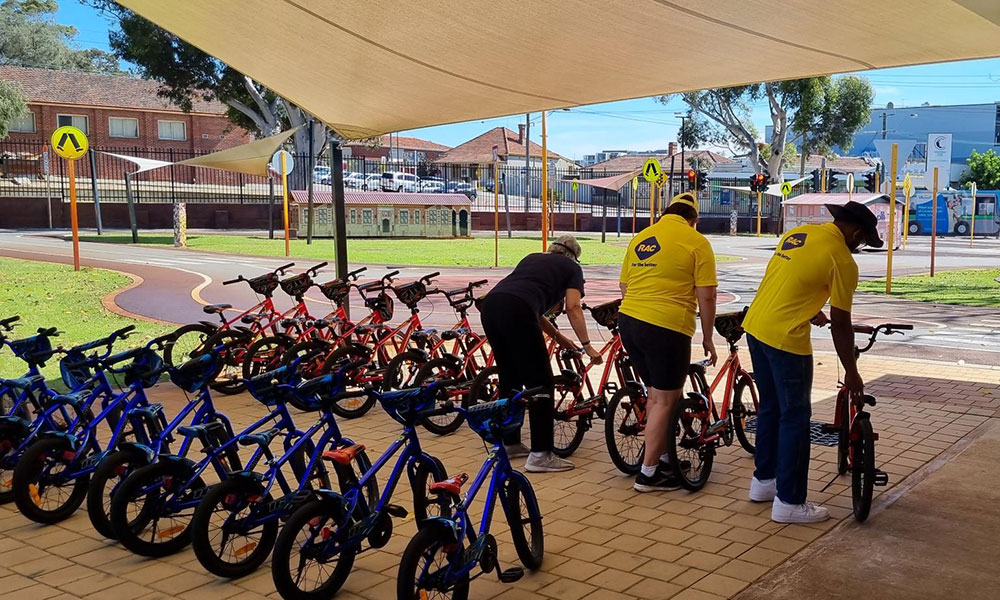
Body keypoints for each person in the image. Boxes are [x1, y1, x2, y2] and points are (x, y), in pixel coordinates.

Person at [742, 200, 882, 524]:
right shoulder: (843, 261)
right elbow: (842, 322)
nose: (860, 247)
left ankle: (763, 483)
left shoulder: (799, 234)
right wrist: (852, 371)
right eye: (863, 241)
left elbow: (792, 280)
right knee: (795, 418)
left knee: (771, 409)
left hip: (756, 327)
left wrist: (809, 306)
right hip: (786, 341)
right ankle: (790, 502)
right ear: (857, 233)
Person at [618, 192, 718, 492]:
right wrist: (709, 337)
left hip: (629, 320)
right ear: (694, 220)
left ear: (665, 213)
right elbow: (707, 295)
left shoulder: (641, 238)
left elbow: (624, 284)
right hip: (667, 326)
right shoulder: (696, 241)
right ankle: (648, 474)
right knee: (665, 399)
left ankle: (661, 456)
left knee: (655, 395)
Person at [478, 234, 602, 473]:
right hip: (518, 310)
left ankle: (509, 441)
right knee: (541, 383)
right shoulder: (572, 268)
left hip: (492, 306)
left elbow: (528, 304)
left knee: (510, 378)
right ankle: (541, 454)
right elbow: (573, 307)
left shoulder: (532, 258)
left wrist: (560, 338)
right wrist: (586, 345)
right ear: (574, 256)